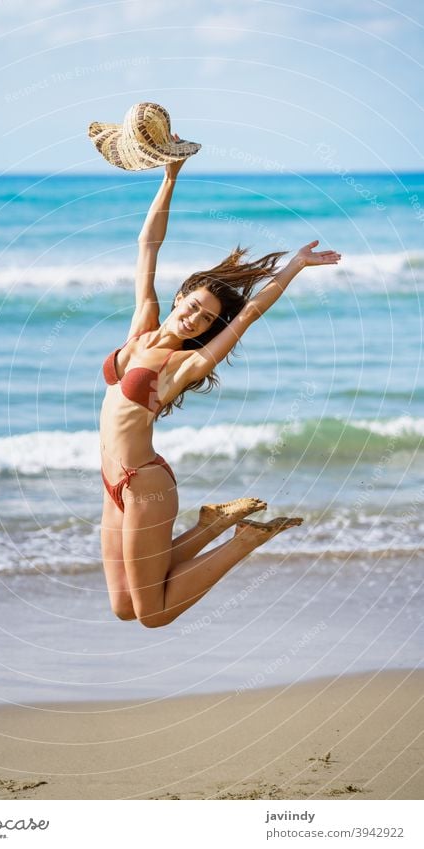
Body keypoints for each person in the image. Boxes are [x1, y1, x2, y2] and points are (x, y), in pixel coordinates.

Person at [100, 139, 341, 628]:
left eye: (207, 319)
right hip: (111, 483)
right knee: (123, 607)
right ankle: (214, 522)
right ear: (182, 295)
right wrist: (169, 178)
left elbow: (249, 313)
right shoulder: (142, 325)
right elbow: (148, 246)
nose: (195, 318)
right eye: (194, 305)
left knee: (153, 614)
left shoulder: (182, 365)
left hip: (145, 483)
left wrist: (292, 268)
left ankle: (242, 541)